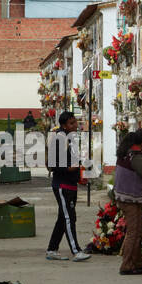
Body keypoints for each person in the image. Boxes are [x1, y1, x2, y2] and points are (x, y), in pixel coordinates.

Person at [45, 110, 90, 262]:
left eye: (75, 122)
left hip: (70, 184)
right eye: (71, 123)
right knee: (69, 218)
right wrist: (69, 168)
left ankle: (52, 249)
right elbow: (52, 163)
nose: (75, 125)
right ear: (64, 125)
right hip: (62, 184)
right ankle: (76, 250)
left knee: (63, 219)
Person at [114, 128, 142, 275]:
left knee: (137, 230)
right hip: (131, 198)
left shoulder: (127, 152)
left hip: (127, 197)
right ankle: (126, 265)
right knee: (133, 231)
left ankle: (137, 262)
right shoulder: (136, 157)